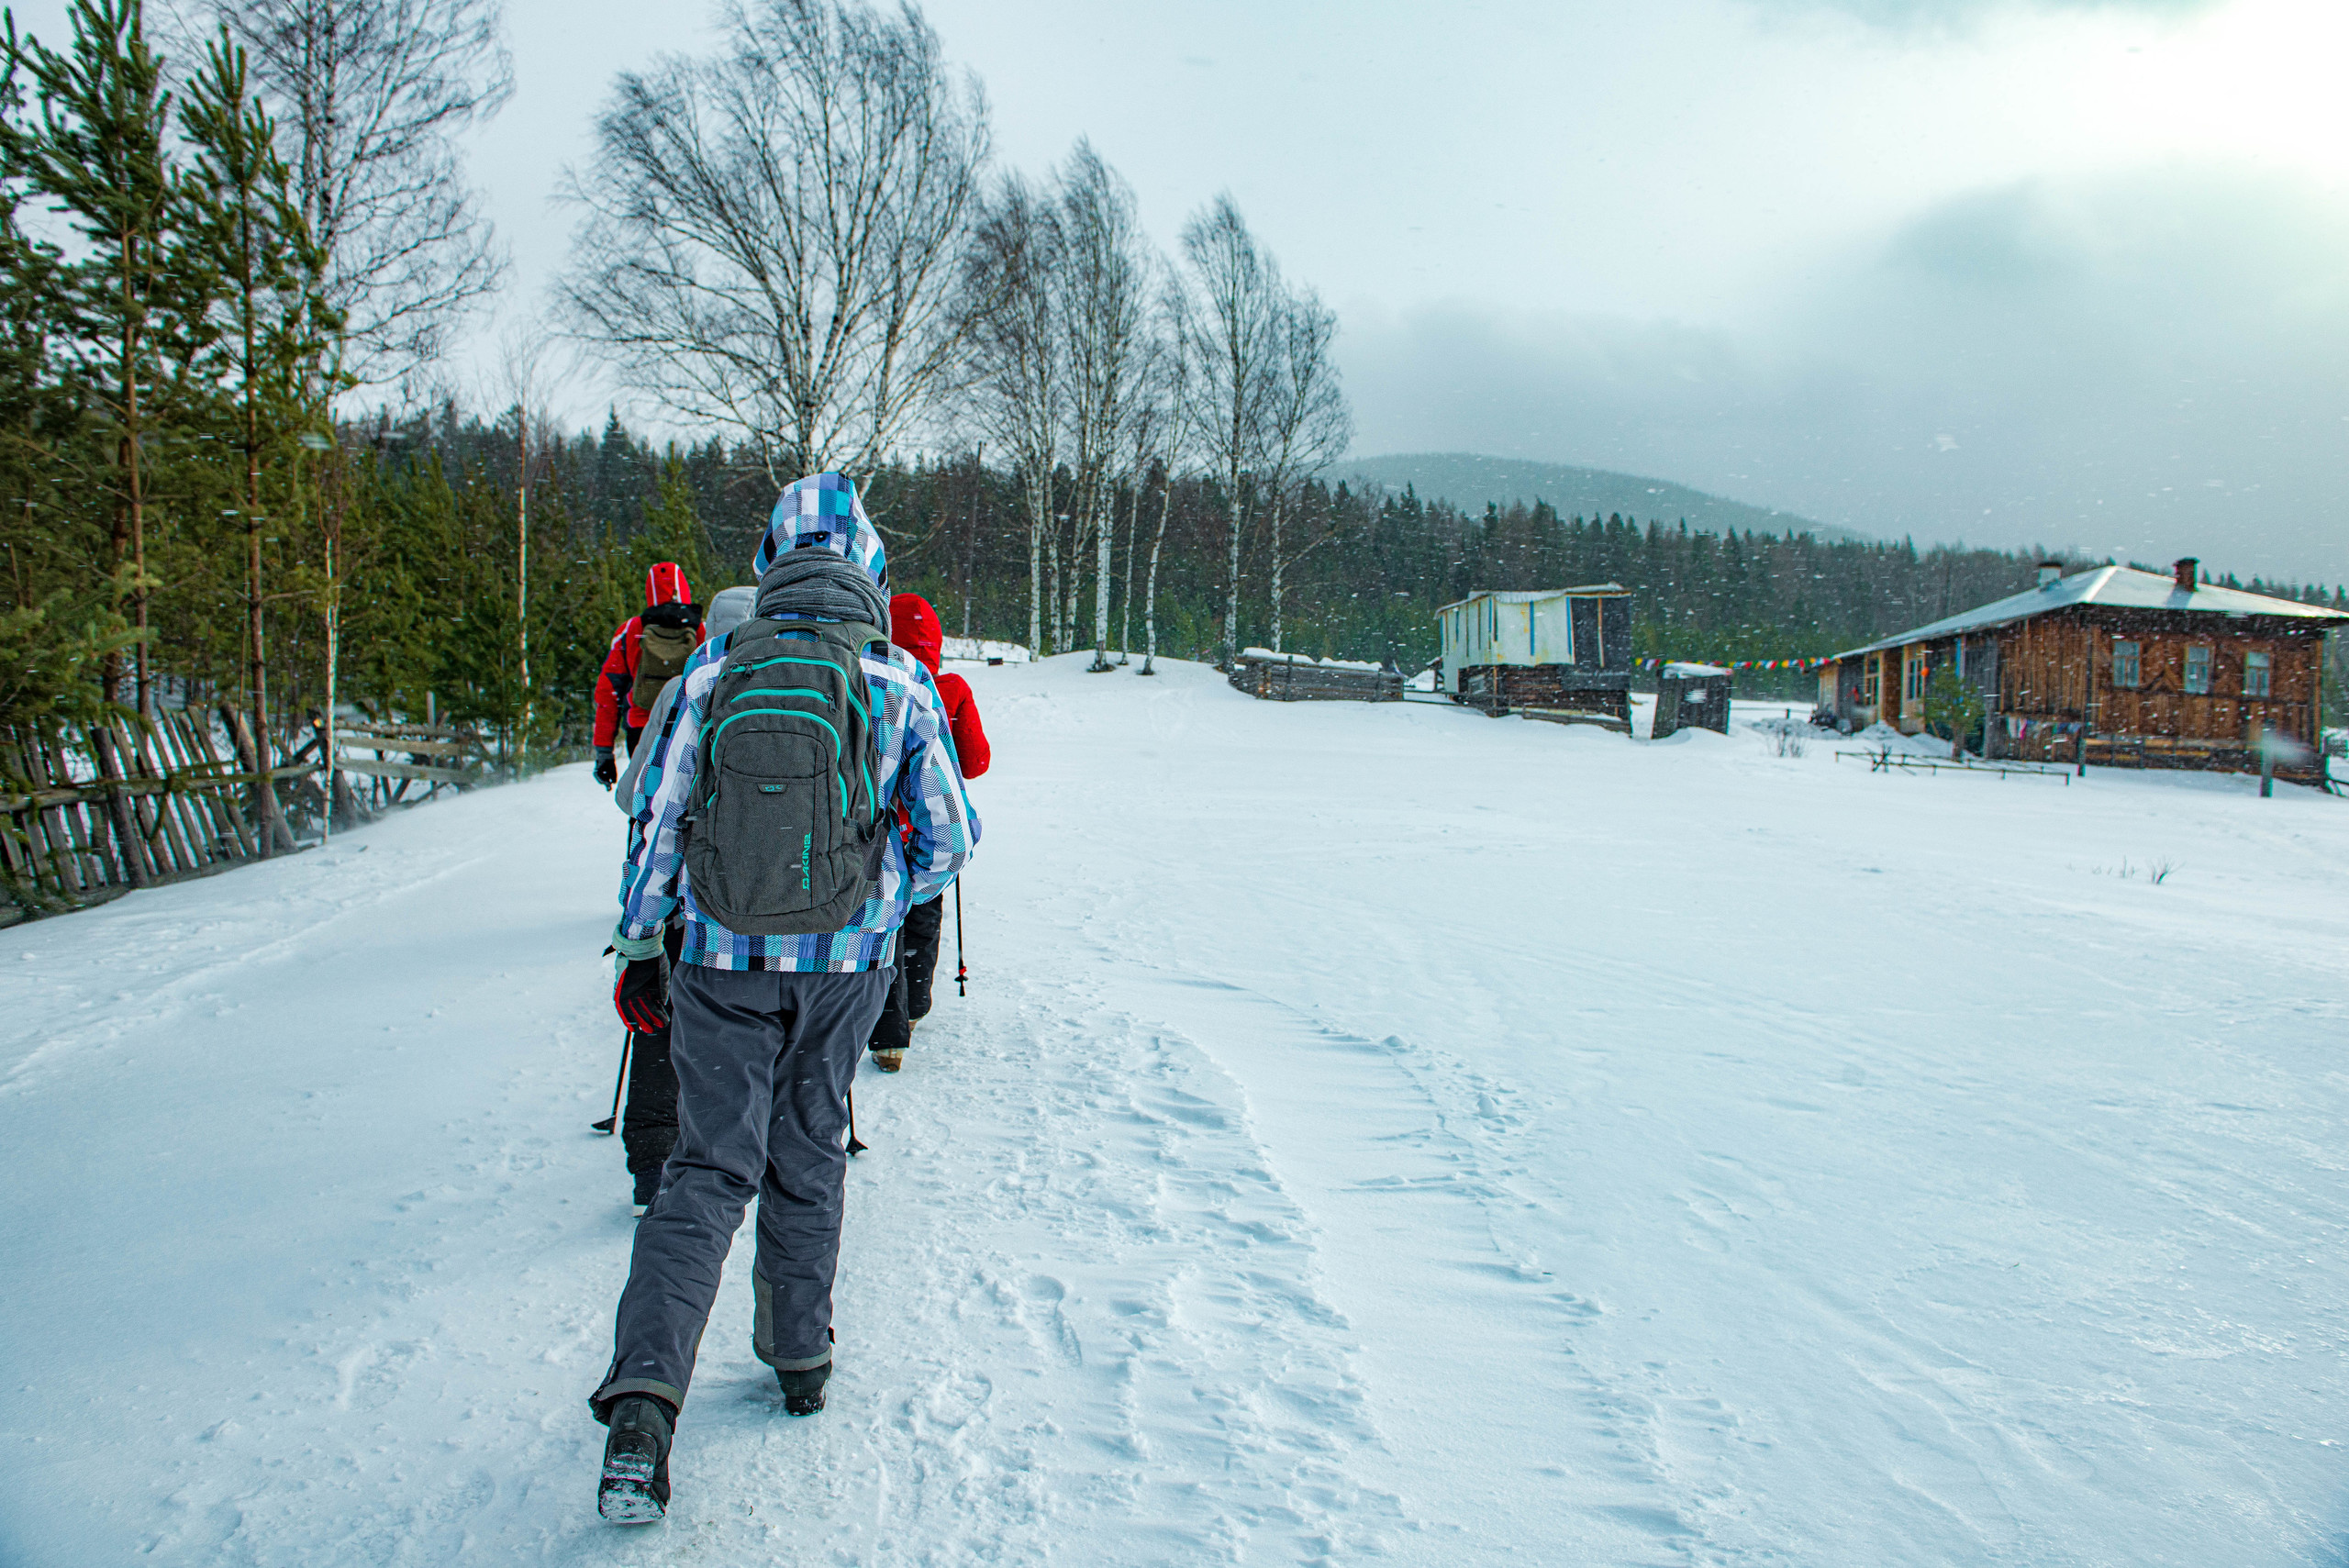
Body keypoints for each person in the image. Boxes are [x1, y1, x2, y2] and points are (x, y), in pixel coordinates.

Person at [591, 474, 979, 1525]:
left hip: (717, 957)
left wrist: (639, 943)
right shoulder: (894, 680)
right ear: (869, 566)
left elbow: (657, 822)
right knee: (806, 1152)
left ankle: (641, 1408)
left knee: (705, 1170)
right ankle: (799, 1356)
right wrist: (869, 894)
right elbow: (949, 839)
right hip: (843, 968)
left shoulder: (715, 669)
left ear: (769, 560)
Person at [607, 585, 758, 1216]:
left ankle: (652, 1160)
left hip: (685, 895)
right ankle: (748, 1149)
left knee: (661, 1022)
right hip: (764, 898)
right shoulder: (793, 681)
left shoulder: (686, 688)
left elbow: (633, 797)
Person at [867, 592, 990, 1073]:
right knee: (924, 909)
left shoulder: (879, 682)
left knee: (882, 923)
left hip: (879, 826)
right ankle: (917, 1003)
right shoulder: (951, 687)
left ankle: (887, 1034)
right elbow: (976, 761)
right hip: (931, 822)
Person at [593, 562, 703, 788]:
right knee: (687, 805)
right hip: (689, 730)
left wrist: (604, 752)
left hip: (643, 732)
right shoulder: (702, 630)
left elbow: (608, 694)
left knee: (644, 801)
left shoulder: (632, 630)